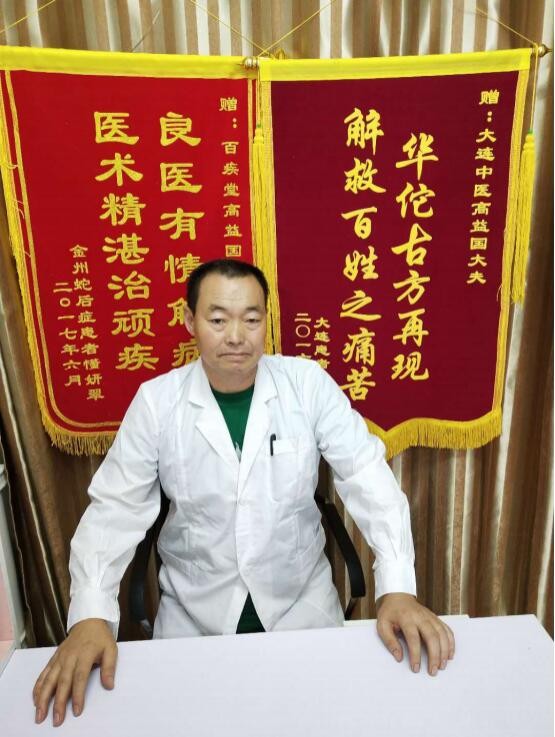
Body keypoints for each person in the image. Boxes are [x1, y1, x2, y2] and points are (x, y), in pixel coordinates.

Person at [33, 259, 455, 726]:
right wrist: (90, 615)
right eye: (218, 320)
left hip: (300, 604)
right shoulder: (157, 402)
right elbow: (115, 508)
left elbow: (367, 475)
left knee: (323, 721)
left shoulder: (307, 384)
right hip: (194, 614)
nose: (236, 336)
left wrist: (397, 588)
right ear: (189, 320)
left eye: (251, 319)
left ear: (266, 321)